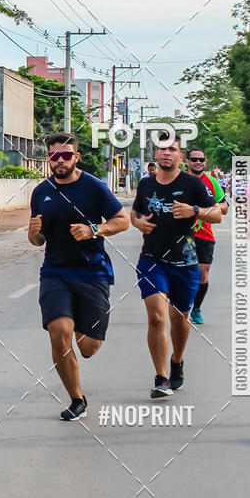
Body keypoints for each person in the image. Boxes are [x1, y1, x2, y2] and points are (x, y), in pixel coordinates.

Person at [28, 132, 129, 420]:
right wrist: (33, 235)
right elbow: (37, 239)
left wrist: (94, 230)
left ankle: (84, 331)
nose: (59, 160)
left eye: (66, 155)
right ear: (48, 158)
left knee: (88, 347)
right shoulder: (41, 191)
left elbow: (122, 221)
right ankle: (77, 399)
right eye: (54, 156)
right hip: (55, 272)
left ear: (76, 157)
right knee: (59, 333)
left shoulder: (94, 187)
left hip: (92, 271)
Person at [131, 134, 221, 398]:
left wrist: (195, 210)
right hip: (152, 259)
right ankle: (161, 378)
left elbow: (215, 213)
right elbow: (135, 212)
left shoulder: (192, 184)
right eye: (162, 149)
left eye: (172, 149)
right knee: (157, 314)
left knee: (179, 318)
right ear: (155, 154)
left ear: (180, 156)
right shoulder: (146, 184)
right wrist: (138, 223)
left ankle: (177, 361)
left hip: (185, 262)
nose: (166, 153)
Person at [185, 148, 229, 324]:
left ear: (205, 162)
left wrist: (206, 210)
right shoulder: (180, 180)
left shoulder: (211, 182)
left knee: (203, 274)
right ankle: (182, 304)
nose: (198, 162)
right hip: (182, 233)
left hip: (205, 234)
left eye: (201, 159)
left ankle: (196, 308)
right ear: (186, 161)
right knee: (183, 272)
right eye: (194, 159)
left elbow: (224, 207)